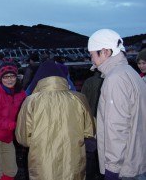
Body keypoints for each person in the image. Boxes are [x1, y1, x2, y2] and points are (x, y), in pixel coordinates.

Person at [15, 61, 94, 180]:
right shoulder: (79, 98)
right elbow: (90, 131)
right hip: (72, 158)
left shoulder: (31, 101)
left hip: (42, 160)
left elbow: (23, 138)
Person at [88, 29, 146, 179]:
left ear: (105, 52)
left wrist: (112, 170)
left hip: (124, 167)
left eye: (92, 54)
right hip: (137, 158)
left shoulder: (115, 79)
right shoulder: (130, 73)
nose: (91, 59)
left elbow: (116, 127)